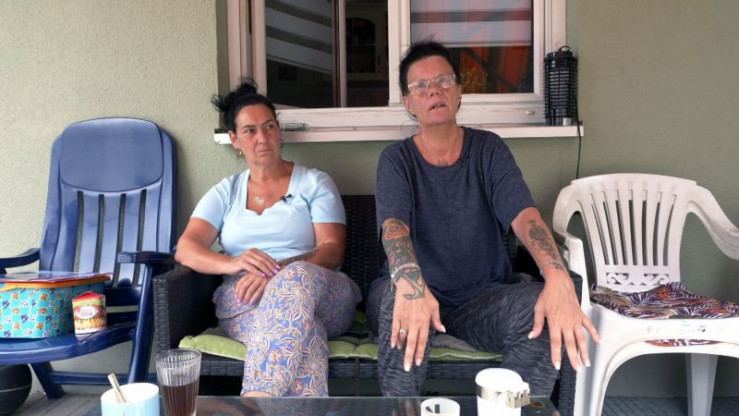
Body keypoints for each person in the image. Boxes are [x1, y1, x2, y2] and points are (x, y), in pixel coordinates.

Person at [366, 41, 600, 397]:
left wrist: (557, 274)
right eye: (421, 86)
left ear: (459, 91)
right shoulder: (396, 160)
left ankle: (511, 408)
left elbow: (524, 216)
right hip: (414, 292)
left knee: (540, 308)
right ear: (408, 102)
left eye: (443, 81)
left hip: (480, 300)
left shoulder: (488, 149)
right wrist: (412, 285)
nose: (434, 91)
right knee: (399, 297)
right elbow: (394, 227)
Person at [175, 80, 362, 397]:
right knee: (305, 335)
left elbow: (332, 251)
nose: (262, 138)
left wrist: (277, 271)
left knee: (295, 277)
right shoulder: (227, 191)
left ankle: (257, 401)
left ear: (279, 131)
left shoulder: (314, 183)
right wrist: (235, 263)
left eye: (269, 126)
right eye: (250, 131)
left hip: (321, 293)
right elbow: (186, 248)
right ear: (234, 139)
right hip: (248, 300)